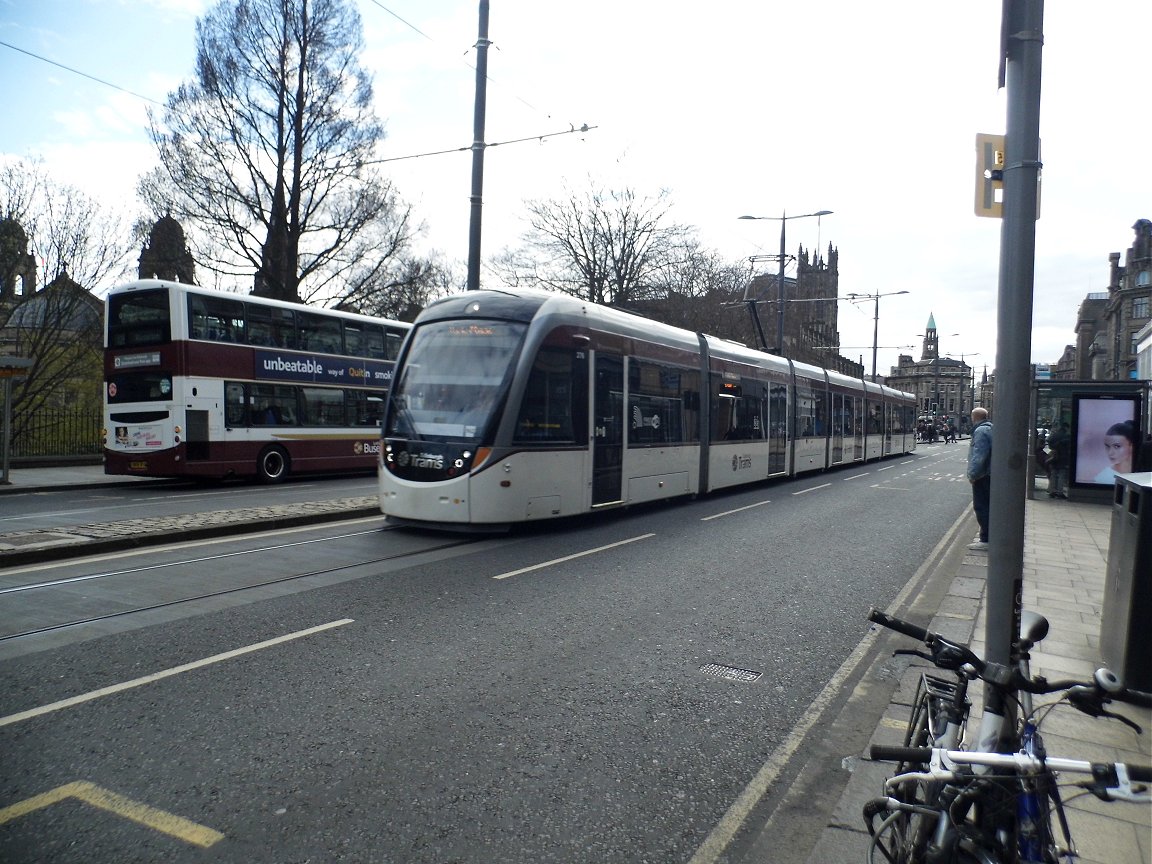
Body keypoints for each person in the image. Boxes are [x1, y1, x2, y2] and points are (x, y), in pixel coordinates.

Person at [966, 407, 992, 552]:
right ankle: (987, 536)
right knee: (987, 505)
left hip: (983, 475)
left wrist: (973, 475)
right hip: (990, 474)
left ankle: (986, 539)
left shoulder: (980, 431)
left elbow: (979, 456)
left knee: (981, 506)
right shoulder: (990, 428)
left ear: (974, 417)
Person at [1047, 421, 1070, 498]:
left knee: (1053, 474)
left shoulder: (1054, 435)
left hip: (1054, 457)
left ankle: (1052, 491)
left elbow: (1049, 442)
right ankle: (1060, 492)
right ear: (1066, 428)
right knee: (1061, 475)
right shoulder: (1066, 436)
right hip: (1063, 457)